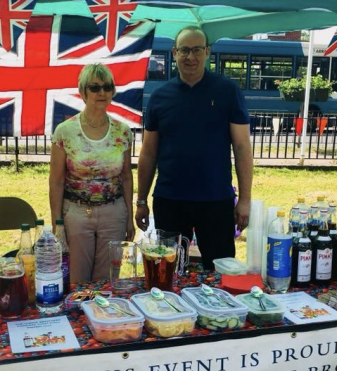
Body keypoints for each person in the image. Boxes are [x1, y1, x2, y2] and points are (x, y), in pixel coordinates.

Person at [135, 26, 254, 270]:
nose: (191, 57)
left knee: (219, 270)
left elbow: (242, 148)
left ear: (207, 51)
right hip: (169, 200)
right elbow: (148, 152)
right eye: (185, 50)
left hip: (216, 200)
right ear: (174, 53)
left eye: (197, 49)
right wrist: (141, 200)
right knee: (170, 271)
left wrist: (245, 200)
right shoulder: (159, 97)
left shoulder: (227, 91)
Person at [49, 63, 135, 283]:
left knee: (107, 280)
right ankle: (79, 318)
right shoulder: (65, 131)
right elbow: (57, 181)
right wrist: (57, 222)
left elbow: (126, 176)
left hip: (114, 213)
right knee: (77, 280)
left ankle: (103, 318)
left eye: (107, 87)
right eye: (94, 87)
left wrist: (129, 218)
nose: (102, 92)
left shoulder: (123, 131)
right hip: (76, 213)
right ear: (83, 92)